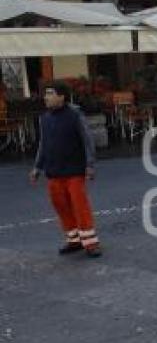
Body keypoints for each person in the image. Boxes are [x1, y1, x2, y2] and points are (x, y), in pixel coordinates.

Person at [29, 82, 101, 257]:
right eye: (45, 94)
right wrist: (37, 167)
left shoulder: (75, 115)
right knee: (61, 207)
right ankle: (74, 240)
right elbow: (43, 145)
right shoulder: (44, 118)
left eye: (50, 94)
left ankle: (90, 243)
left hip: (74, 171)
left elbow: (87, 140)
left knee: (79, 206)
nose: (46, 97)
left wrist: (90, 165)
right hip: (53, 172)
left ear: (61, 96)